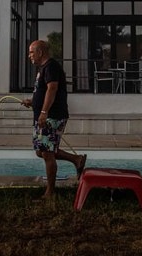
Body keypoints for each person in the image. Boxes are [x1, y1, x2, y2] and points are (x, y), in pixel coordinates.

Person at [21, 39, 86, 199]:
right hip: (45, 115)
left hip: (52, 116)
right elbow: (43, 91)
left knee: (47, 153)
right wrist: (33, 102)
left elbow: (52, 88)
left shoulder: (51, 66)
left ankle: (50, 192)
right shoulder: (43, 68)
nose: (29, 55)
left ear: (40, 52)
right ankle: (76, 159)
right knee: (40, 151)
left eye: (31, 52)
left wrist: (44, 111)